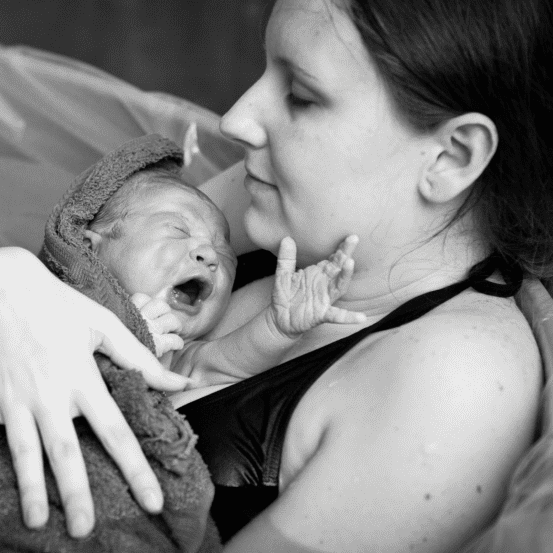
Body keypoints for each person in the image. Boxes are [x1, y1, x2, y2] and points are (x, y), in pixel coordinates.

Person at [0, 0, 553, 553]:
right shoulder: (283, 209)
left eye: (302, 95)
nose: (237, 118)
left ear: (450, 156)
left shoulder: (454, 380)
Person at [78, 164, 365, 393]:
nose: (210, 256)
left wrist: (278, 328)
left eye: (223, 250)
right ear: (91, 248)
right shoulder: (61, 302)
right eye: (179, 230)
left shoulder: (177, 353)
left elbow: (221, 362)